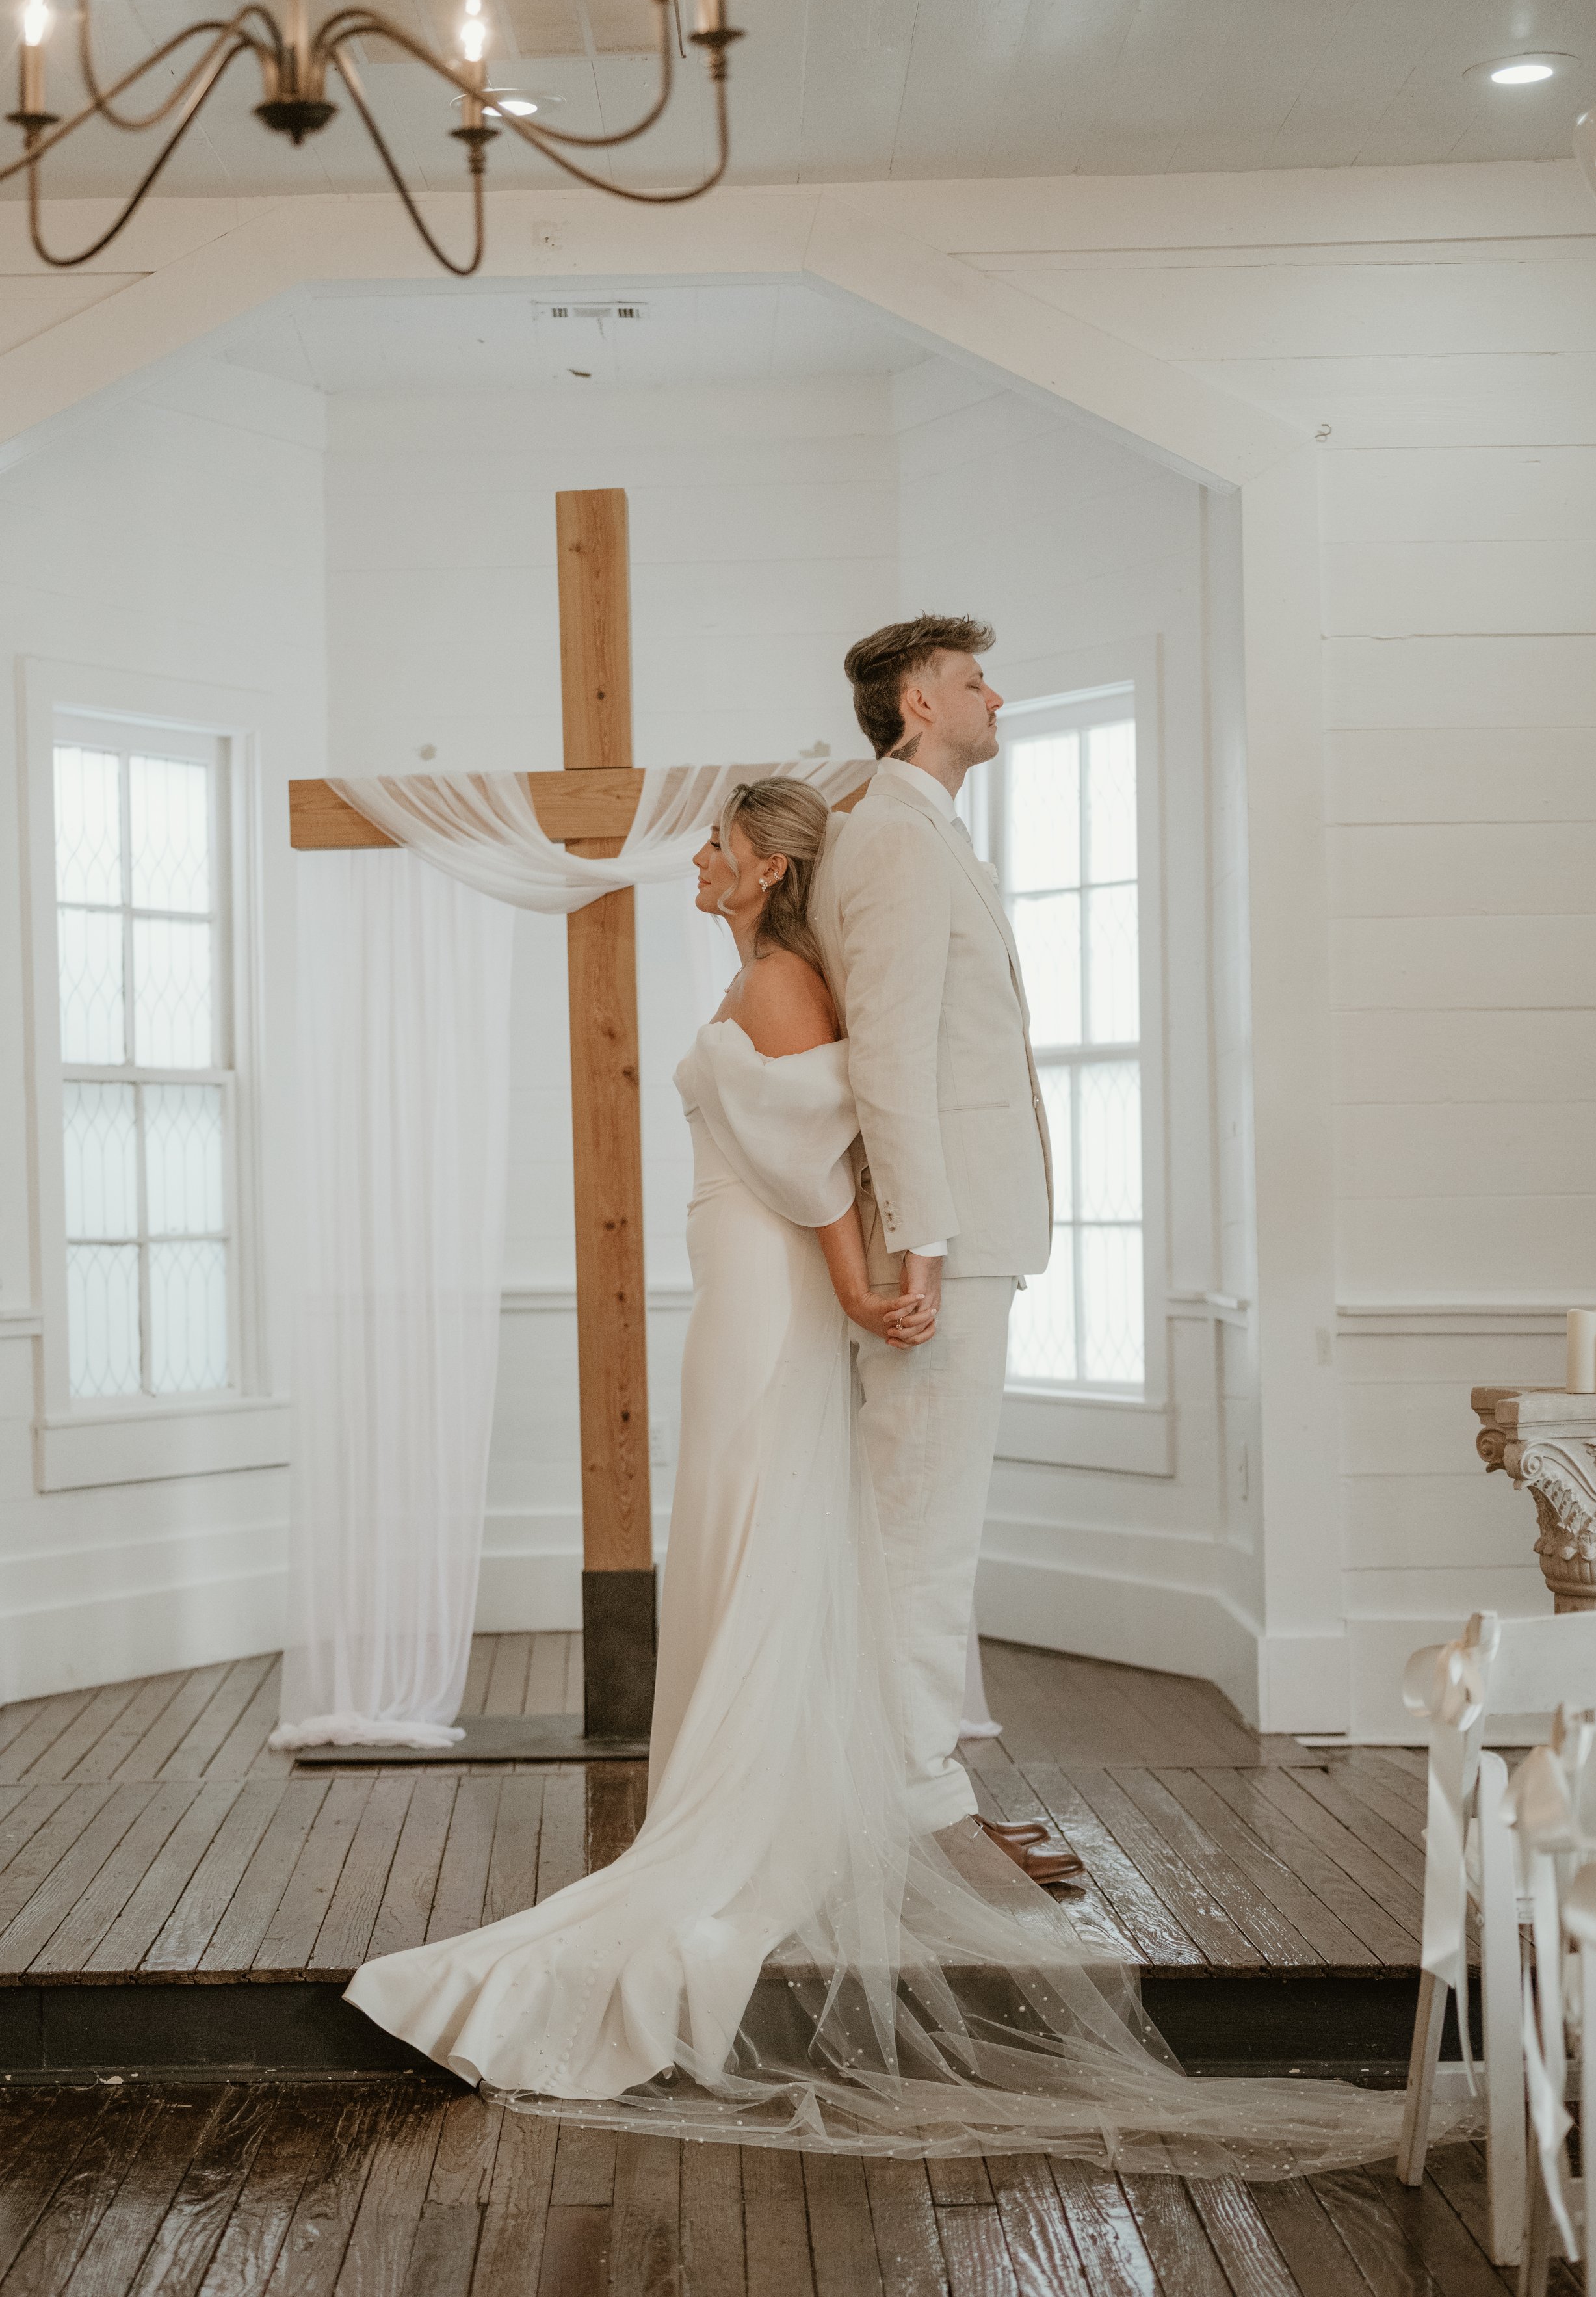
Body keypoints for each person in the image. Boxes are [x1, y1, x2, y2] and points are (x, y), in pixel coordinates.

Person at [345, 774, 1460, 2177]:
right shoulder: (762, 974)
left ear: (761, 866)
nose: (696, 859)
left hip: (770, 1292)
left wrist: (861, 1286)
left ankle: (735, 1826)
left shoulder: (781, 987)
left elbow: (819, 1158)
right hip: (742, 1285)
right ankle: (734, 1791)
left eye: (713, 846)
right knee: (747, 1528)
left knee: (757, 1518)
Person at [809, 616, 1073, 1884]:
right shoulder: (896, 839)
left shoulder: (918, 832)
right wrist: (918, 1236)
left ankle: (923, 1790)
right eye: (976, 681)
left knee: (926, 1525)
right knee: (922, 1530)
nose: (996, 695)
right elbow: (889, 1055)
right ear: (919, 703)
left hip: (958, 1233)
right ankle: (920, 1814)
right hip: (942, 1245)